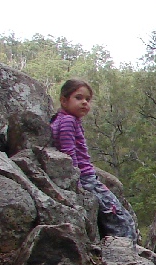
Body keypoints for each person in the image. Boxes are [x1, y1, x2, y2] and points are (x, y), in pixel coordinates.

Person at [50, 78, 138, 241]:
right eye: (78, 98)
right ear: (63, 100)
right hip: (85, 179)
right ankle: (125, 251)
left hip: (86, 177)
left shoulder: (63, 119)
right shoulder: (68, 121)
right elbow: (69, 153)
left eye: (87, 99)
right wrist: (77, 181)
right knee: (120, 217)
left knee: (117, 213)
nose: (84, 102)